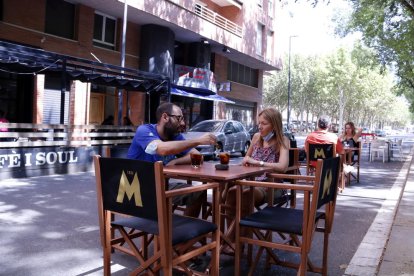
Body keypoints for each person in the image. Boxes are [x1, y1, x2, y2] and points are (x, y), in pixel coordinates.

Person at [127, 102, 216, 217]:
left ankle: (185, 232)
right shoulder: (144, 130)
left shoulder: (174, 136)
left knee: (198, 192)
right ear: (165, 117)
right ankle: (182, 232)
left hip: (160, 185)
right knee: (198, 192)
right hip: (138, 188)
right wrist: (197, 141)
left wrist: (176, 161)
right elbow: (161, 149)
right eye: (179, 118)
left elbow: (197, 156)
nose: (183, 123)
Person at [224, 108, 290, 249]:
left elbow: (283, 166)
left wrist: (258, 163)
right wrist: (246, 161)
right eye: (259, 123)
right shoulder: (255, 137)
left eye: (264, 123)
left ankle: (235, 241)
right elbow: (246, 159)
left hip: (272, 185)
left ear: (274, 124)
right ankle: (233, 239)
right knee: (228, 189)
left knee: (244, 193)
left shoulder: (282, 140)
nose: (259, 126)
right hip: (250, 181)